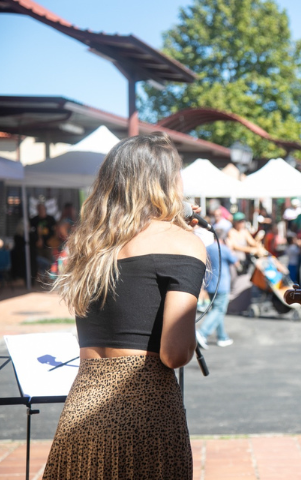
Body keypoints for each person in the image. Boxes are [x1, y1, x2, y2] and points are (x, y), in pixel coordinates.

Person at [45, 132, 207, 479]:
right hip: (144, 413)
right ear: (164, 183)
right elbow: (175, 354)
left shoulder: (90, 245)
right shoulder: (184, 244)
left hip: (81, 410)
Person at [196, 227, 238, 349]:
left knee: (217, 310)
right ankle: (202, 332)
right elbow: (236, 263)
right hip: (222, 284)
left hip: (210, 284)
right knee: (219, 310)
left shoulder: (207, 248)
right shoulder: (224, 249)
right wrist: (231, 249)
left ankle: (222, 337)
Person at [29, 202, 57, 281]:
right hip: (38, 246)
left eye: (42, 209)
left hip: (49, 245)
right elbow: (30, 231)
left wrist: (53, 242)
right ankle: (40, 279)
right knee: (40, 263)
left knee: (49, 262)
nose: (41, 210)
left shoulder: (50, 219)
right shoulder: (34, 220)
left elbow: (55, 231)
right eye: (39, 209)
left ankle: (48, 279)